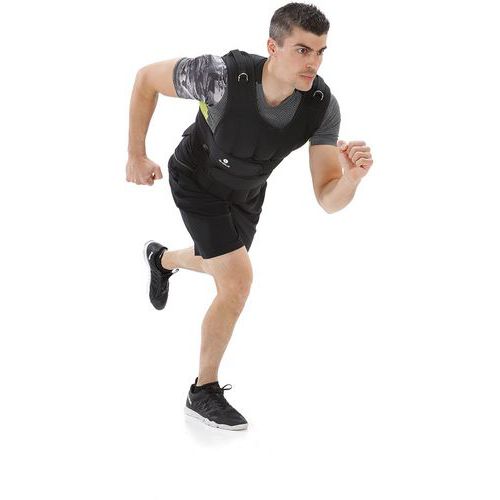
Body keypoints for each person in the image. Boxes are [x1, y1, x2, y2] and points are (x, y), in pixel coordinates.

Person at [126, 2, 373, 431]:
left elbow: (327, 199)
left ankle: (161, 259)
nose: (313, 63)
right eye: (302, 50)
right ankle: (202, 391)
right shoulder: (219, 75)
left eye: (320, 52)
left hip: (246, 193)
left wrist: (351, 179)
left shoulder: (321, 106)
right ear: (272, 47)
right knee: (237, 281)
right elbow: (146, 78)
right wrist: (136, 154)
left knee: (219, 266)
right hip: (196, 179)